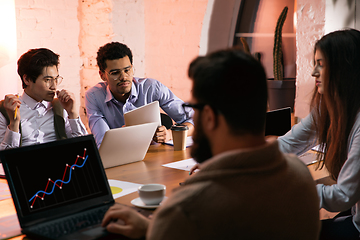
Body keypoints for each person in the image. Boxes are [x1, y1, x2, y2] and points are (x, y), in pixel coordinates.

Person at [101, 48, 320, 239]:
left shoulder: (185, 211)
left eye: (194, 108)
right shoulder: (300, 176)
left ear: (208, 117)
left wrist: (155, 227)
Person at [278, 28, 360, 239]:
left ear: (344, 69)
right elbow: (289, 143)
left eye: (321, 64)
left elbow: (343, 196)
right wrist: (229, 161)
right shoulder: (330, 106)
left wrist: (292, 188)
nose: (314, 72)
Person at [85, 42, 194, 148]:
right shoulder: (94, 97)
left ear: (132, 68)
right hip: (121, 159)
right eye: (115, 73)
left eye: (127, 70)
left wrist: (171, 134)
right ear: (102, 75)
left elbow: (193, 120)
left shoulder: (152, 88)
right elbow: (103, 143)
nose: (124, 77)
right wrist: (121, 136)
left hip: (157, 156)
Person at [0, 48, 87, 150]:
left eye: (56, 79)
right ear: (27, 79)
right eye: (48, 80)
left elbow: (83, 147)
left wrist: (72, 113)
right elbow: (4, 158)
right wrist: (14, 124)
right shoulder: (7, 109)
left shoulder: (60, 106)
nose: (54, 86)